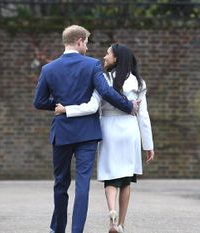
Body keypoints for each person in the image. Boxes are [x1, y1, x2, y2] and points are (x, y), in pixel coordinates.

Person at [33, 25, 140, 233]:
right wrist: (128, 106)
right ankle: (76, 230)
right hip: (87, 134)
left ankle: (57, 228)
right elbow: (106, 92)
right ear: (80, 41)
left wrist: (59, 106)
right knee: (83, 185)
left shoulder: (49, 69)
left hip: (62, 132)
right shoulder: (92, 66)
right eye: (87, 43)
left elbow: (39, 101)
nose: (88, 48)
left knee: (60, 183)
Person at [55, 44, 155, 233]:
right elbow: (143, 115)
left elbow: (91, 107)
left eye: (108, 54)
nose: (104, 56)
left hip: (108, 129)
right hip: (130, 129)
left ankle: (111, 213)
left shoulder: (103, 79)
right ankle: (121, 224)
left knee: (110, 176)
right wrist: (148, 144)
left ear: (116, 58)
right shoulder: (138, 82)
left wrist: (67, 109)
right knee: (126, 179)